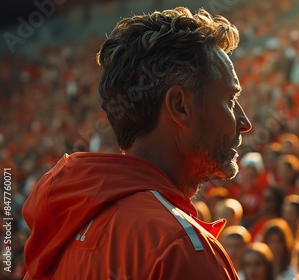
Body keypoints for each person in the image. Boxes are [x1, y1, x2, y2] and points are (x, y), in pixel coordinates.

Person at [22, 7, 251, 279]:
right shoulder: (179, 247)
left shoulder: (65, 230)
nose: (244, 121)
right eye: (229, 100)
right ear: (180, 106)